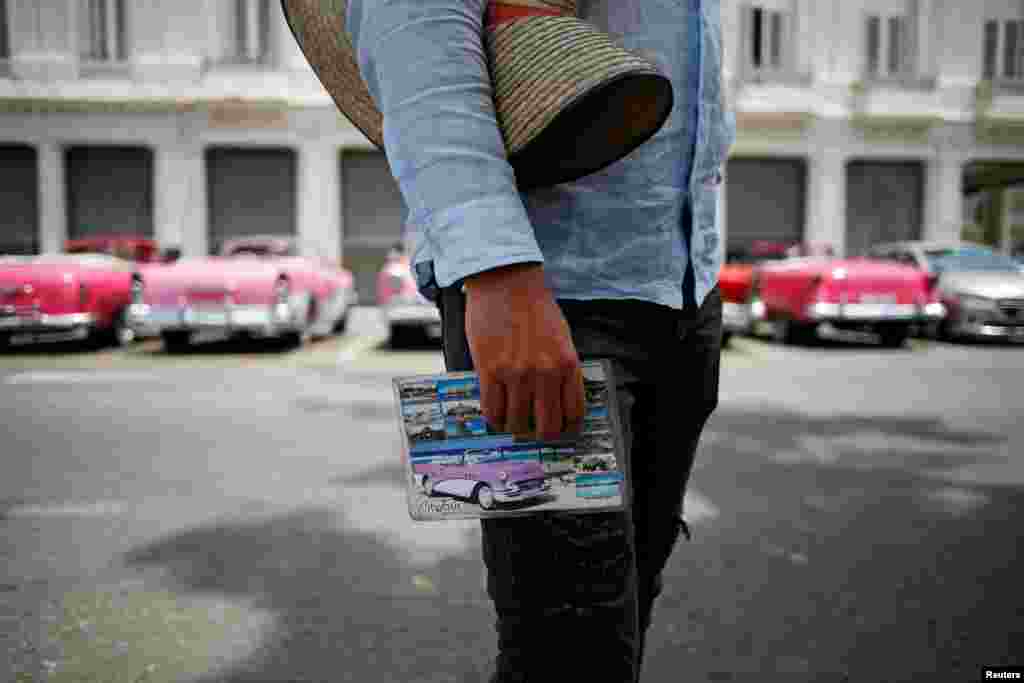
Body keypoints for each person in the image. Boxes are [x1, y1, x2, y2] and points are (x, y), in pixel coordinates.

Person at [346, 1, 735, 680]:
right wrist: (496, 271)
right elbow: (414, 22)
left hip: (681, 287)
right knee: (567, 654)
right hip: (539, 295)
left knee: (620, 626)